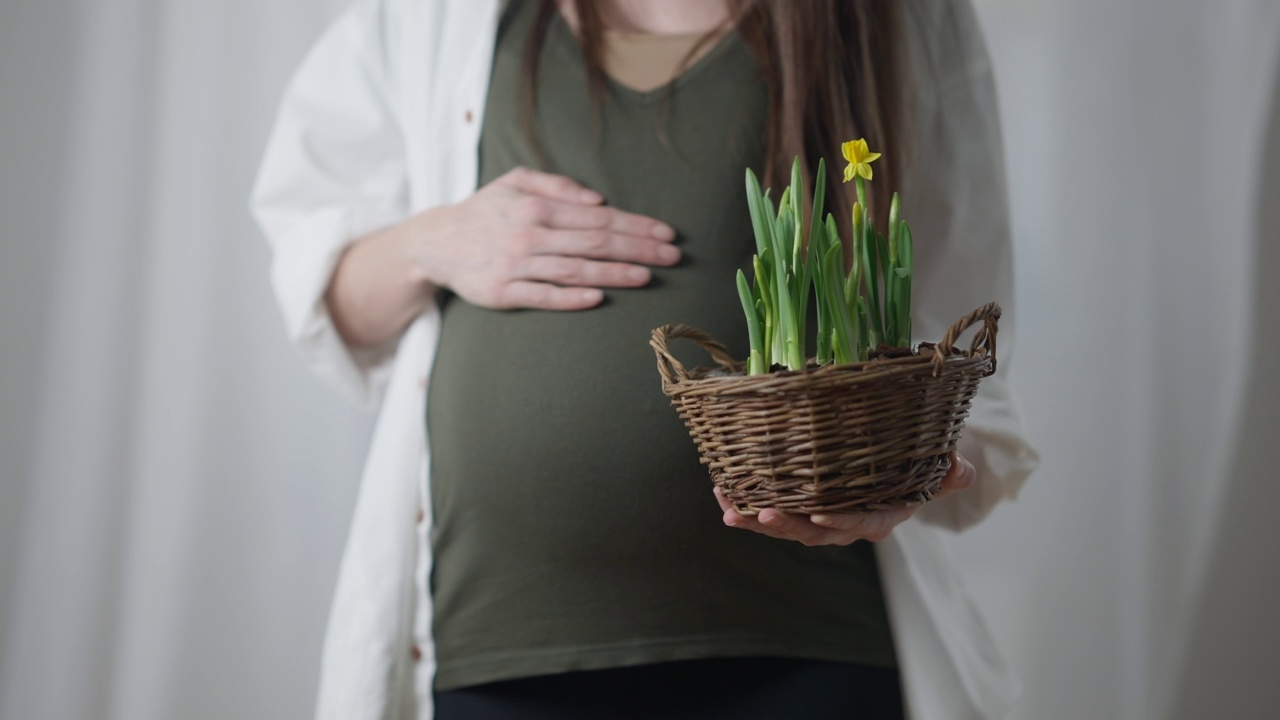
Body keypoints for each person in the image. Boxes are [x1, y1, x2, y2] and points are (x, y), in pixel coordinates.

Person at [252, 0, 1039, 718]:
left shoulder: (897, 18)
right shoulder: (427, 16)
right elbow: (325, 296)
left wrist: (909, 474)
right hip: (498, 651)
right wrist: (426, 241)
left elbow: (961, 348)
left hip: (804, 649)